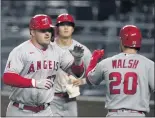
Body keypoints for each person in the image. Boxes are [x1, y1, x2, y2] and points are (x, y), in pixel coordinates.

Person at [2, 14, 84, 117]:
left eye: (49, 30)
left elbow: (77, 73)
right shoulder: (20, 51)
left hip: (45, 111)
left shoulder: (57, 51)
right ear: (32, 32)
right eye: (42, 30)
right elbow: (8, 78)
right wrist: (34, 83)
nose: (47, 34)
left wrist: (77, 60)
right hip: (20, 110)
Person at [73, 25, 154, 117]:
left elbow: (90, 79)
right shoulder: (149, 65)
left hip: (114, 114)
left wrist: (93, 60)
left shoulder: (107, 62)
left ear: (122, 41)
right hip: (138, 114)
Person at [49, 13, 92, 116]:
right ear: (57, 28)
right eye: (62, 24)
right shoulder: (48, 47)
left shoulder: (82, 50)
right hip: (50, 99)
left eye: (69, 25)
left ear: (73, 28)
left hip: (70, 100)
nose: (66, 27)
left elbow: (94, 76)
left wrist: (82, 81)